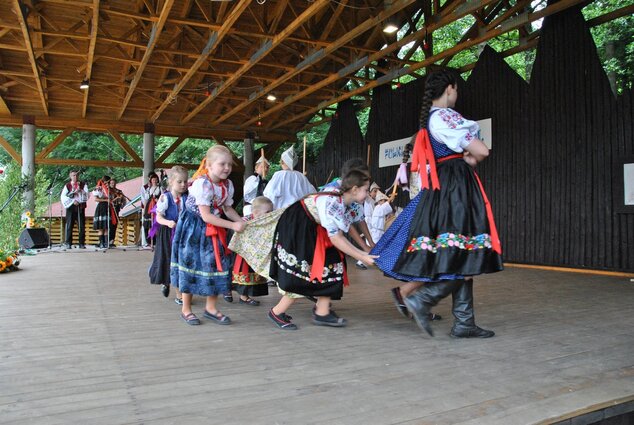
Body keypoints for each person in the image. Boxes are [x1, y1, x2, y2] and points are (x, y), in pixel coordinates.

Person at [371, 69, 503, 338]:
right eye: (457, 90)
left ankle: (463, 322)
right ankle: (425, 300)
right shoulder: (445, 117)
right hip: (455, 188)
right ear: (450, 88)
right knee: (462, 252)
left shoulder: (430, 120)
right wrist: (471, 157)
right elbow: (481, 150)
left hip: (445, 185)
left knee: (461, 252)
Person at [230, 170, 378, 330]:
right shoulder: (332, 202)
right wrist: (362, 256)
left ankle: (322, 311)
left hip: (313, 228)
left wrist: (366, 248)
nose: (368, 193)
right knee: (301, 271)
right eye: (366, 189)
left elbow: (352, 224)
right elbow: (337, 237)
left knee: (333, 264)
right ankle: (277, 312)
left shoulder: (348, 200)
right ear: (354, 189)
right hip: (297, 227)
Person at [170, 146, 246, 326]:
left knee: (216, 265)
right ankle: (186, 309)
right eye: (222, 164)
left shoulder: (227, 184)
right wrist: (233, 226)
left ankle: (211, 308)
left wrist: (241, 221)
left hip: (215, 227)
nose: (227, 168)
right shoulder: (202, 184)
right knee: (191, 264)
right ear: (210, 165)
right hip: (194, 228)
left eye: (229, 164)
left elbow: (227, 208)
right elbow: (205, 215)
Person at [149, 166, 188, 305]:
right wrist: (168, 222)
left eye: (185, 181)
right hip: (168, 232)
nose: (183, 185)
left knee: (181, 261)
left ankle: (180, 291)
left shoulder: (187, 198)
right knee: (168, 260)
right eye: (180, 182)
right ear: (171, 182)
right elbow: (158, 218)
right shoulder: (165, 197)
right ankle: (169, 285)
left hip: (183, 233)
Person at [230, 196, 273, 305]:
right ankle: (242, 296)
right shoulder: (245, 221)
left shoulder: (267, 221)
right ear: (256, 212)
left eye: (271, 211)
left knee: (251, 274)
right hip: (244, 253)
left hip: (257, 253)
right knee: (243, 273)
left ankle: (244, 295)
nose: (270, 214)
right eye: (267, 211)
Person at [60, 170, 89, 248]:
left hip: (80, 207)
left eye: (76, 175)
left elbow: (87, 195)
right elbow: (63, 196)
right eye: (73, 175)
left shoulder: (83, 184)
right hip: (71, 207)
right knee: (69, 225)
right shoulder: (67, 185)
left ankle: (81, 243)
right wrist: (73, 201)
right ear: (70, 176)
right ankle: (68, 243)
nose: (75, 177)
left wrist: (81, 191)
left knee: (81, 226)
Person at [92, 176, 117, 249]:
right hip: (101, 208)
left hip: (107, 208)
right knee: (101, 227)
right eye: (107, 182)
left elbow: (111, 198)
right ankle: (101, 243)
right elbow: (96, 199)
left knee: (106, 227)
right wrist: (105, 200)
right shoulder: (99, 188)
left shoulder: (109, 189)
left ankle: (106, 243)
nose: (108, 184)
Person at [141, 172, 161, 247]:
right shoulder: (148, 189)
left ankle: (156, 241)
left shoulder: (160, 188)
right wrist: (144, 210)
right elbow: (145, 200)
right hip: (149, 207)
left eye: (156, 179)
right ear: (151, 180)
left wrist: (157, 200)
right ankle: (149, 241)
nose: (154, 181)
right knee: (147, 225)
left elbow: (162, 198)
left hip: (157, 206)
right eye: (153, 180)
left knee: (156, 224)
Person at [108, 178, 126, 247]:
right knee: (109, 225)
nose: (113, 184)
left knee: (114, 225)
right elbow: (109, 200)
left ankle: (112, 241)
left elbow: (124, 200)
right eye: (111, 183)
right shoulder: (108, 191)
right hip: (109, 209)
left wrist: (121, 206)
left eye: (114, 183)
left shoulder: (119, 191)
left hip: (116, 208)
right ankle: (107, 240)